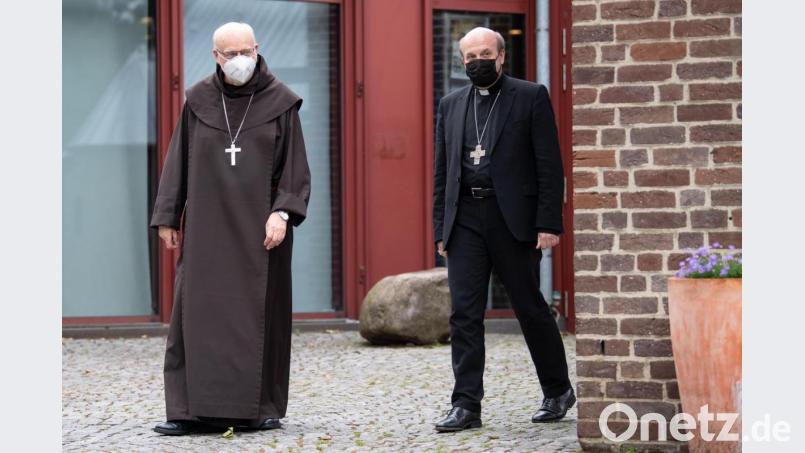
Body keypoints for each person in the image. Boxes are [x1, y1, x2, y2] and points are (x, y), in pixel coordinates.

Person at [150, 22, 310, 436]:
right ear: (215, 57)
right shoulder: (198, 101)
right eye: (230, 53)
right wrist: (168, 215)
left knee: (261, 318)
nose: (240, 60)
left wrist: (284, 213)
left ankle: (261, 408)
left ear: (257, 49)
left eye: (246, 51)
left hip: (262, 231)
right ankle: (186, 410)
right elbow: (178, 160)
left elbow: (295, 169)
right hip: (206, 228)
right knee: (193, 314)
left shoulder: (282, 102)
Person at [432, 27, 574, 432]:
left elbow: (549, 165)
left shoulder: (530, 96)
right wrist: (441, 228)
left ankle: (558, 389)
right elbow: (443, 171)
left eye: (484, 53)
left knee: (529, 307)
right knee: (463, 313)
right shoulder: (451, 104)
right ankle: (465, 404)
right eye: (469, 55)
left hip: (513, 218)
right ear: (461, 61)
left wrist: (548, 223)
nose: (477, 60)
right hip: (465, 222)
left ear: (501, 56)